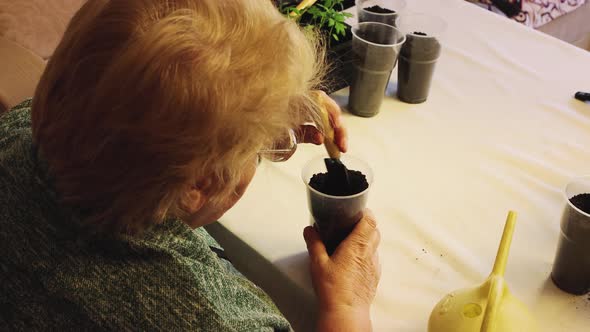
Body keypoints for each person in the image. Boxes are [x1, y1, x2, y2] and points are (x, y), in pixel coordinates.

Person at [0, 0, 381, 331]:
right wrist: (346, 309)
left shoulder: (21, 130)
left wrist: (261, 104)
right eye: (257, 148)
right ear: (195, 188)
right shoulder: (207, 319)